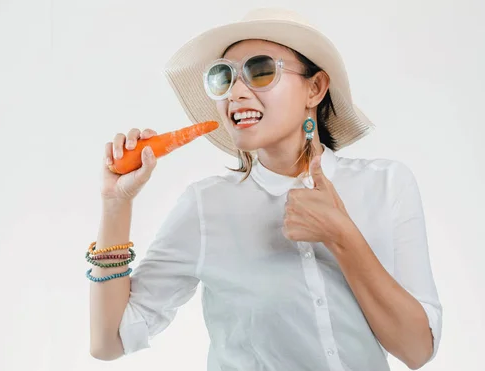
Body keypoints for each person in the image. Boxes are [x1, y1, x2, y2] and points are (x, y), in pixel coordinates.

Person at [88, 8, 442, 371]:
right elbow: (109, 340)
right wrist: (116, 205)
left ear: (315, 88)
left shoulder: (386, 185)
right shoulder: (206, 206)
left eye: (261, 71)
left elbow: (417, 350)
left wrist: (342, 236)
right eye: (223, 78)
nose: (236, 92)